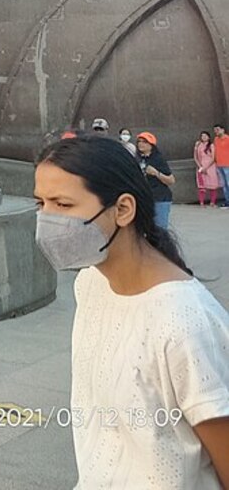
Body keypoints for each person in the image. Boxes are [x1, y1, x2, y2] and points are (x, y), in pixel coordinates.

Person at [32, 135, 229, 487]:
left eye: (62, 205)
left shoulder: (185, 323)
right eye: (40, 204)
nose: (47, 221)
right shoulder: (90, 285)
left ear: (123, 209)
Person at [135, 132, 175, 229]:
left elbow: (171, 180)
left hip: (160, 198)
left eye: (144, 142)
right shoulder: (136, 159)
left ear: (151, 145)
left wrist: (156, 173)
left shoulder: (158, 159)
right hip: (143, 198)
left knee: (159, 229)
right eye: (139, 141)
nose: (141, 144)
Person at [194, 131, 221, 208]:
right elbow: (195, 157)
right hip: (201, 166)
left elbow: (213, 158)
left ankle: (212, 202)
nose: (204, 137)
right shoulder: (198, 145)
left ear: (209, 137)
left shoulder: (211, 145)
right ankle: (201, 203)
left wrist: (206, 167)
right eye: (202, 136)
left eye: (205, 136)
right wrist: (200, 167)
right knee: (202, 186)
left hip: (210, 167)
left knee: (213, 185)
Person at [215, 126, 229, 208]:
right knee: (224, 184)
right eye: (215, 130)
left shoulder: (228, 139)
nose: (216, 131)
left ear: (223, 130)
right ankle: (227, 200)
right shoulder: (216, 139)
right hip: (219, 164)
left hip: (227, 164)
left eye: (218, 130)